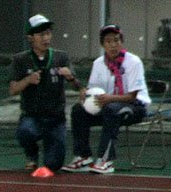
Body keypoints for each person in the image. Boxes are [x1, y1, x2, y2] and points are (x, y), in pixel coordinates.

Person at [62, 23, 150, 175]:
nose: (113, 45)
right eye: (108, 41)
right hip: (107, 105)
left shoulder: (133, 62)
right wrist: (86, 94)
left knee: (112, 110)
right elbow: (93, 91)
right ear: (102, 44)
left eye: (116, 40)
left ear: (121, 41)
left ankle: (105, 160)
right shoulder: (98, 63)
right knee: (78, 110)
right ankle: (83, 157)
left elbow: (132, 96)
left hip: (135, 107)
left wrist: (110, 99)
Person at [9, 14, 80, 173]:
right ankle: (32, 154)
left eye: (48, 33)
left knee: (53, 165)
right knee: (25, 132)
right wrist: (28, 80)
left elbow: (77, 86)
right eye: (41, 34)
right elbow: (13, 89)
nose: (46, 38)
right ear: (30, 37)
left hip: (55, 118)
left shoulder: (61, 57)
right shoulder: (20, 60)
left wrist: (70, 77)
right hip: (32, 116)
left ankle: (51, 149)